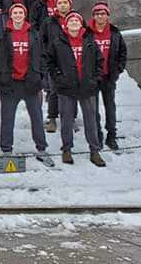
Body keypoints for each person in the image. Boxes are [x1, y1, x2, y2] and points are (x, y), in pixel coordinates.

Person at [0, 4, 53, 166]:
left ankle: (41, 149)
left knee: (37, 117)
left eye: (20, 12)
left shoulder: (34, 34)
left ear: (24, 15)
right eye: (15, 13)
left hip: (31, 83)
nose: (18, 15)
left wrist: (40, 76)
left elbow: (43, 57)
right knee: (7, 118)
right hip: (10, 84)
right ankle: (6, 150)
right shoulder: (3, 34)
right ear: (11, 15)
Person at [45, 12, 106, 167]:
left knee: (90, 120)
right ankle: (67, 149)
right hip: (66, 88)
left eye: (76, 21)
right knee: (66, 120)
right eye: (70, 20)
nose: (73, 23)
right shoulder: (58, 42)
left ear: (81, 24)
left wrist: (95, 79)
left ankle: (94, 150)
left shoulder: (89, 41)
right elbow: (50, 63)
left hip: (87, 87)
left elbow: (100, 62)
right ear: (66, 24)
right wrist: (59, 78)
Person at [88, 2, 127, 151]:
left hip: (109, 76)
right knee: (93, 108)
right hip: (93, 77)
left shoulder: (114, 32)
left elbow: (122, 53)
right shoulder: (87, 33)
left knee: (110, 107)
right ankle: (97, 134)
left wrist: (118, 70)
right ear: (93, 16)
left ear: (107, 16)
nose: (100, 16)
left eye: (103, 13)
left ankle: (111, 135)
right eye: (97, 14)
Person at [44, 0, 73, 134]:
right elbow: (42, 40)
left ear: (69, 5)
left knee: (73, 90)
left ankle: (71, 118)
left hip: (73, 60)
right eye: (59, 2)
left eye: (65, 2)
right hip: (54, 60)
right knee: (54, 90)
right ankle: (52, 118)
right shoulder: (49, 22)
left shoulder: (76, 19)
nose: (62, 5)